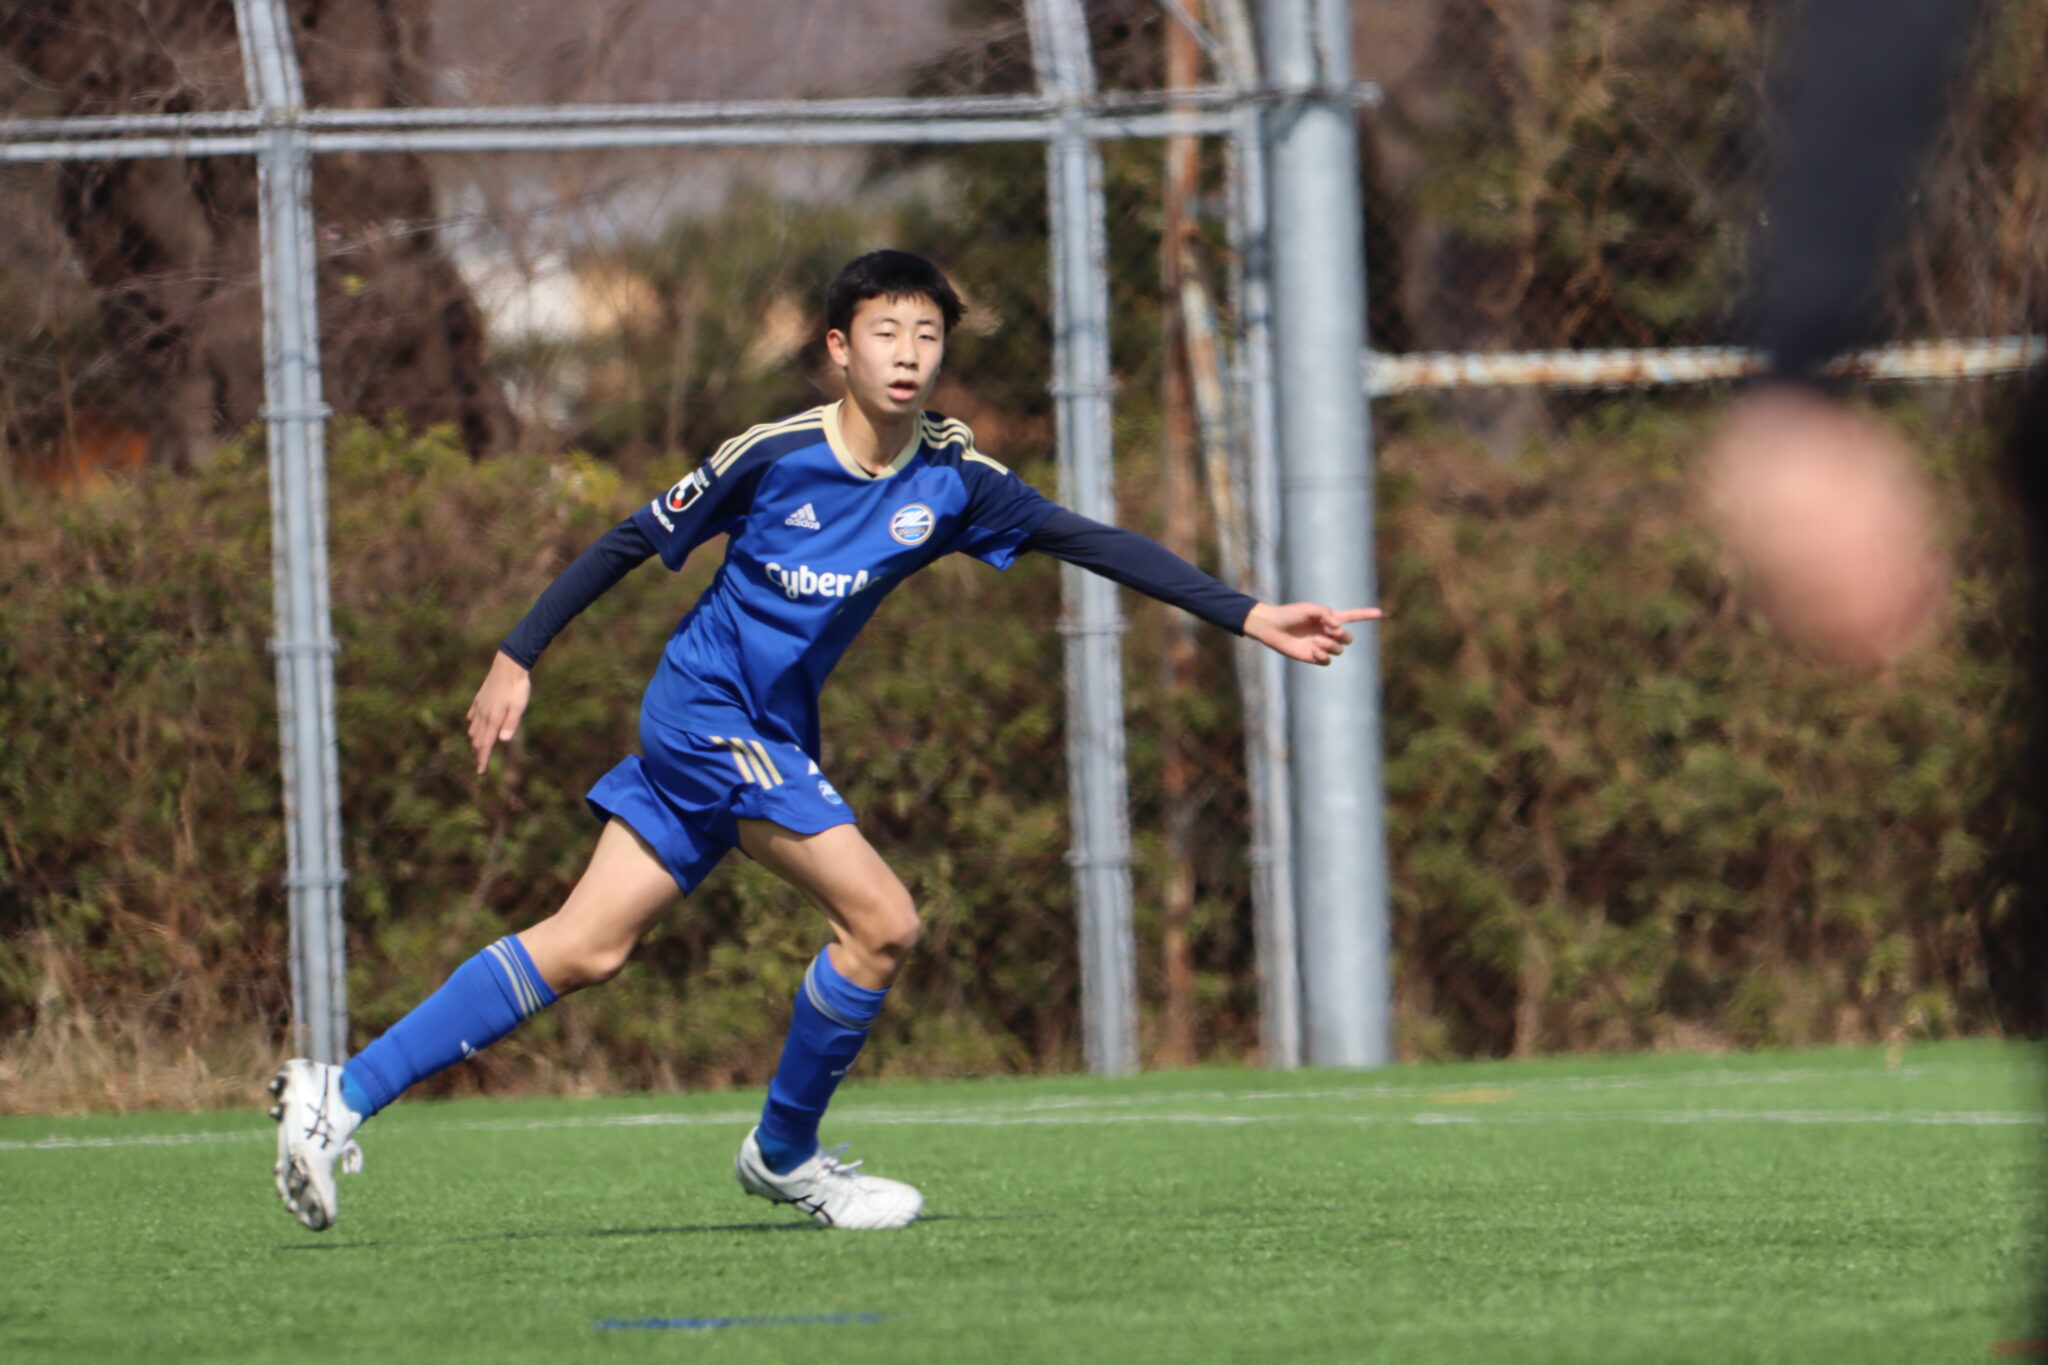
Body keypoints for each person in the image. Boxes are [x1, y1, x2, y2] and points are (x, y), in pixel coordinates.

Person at [267, 249, 1381, 1232]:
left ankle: (339, 1093)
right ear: (839, 350)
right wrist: (518, 655)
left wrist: (1248, 613)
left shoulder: (952, 479)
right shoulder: (774, 454)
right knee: (883, 920)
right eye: (886, 333)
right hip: (705, 718)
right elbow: (627, 538)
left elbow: (1088, 540)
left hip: (766, 732)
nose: (908, 354)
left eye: (928, 335)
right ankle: (784, 1154)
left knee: (585, 946)